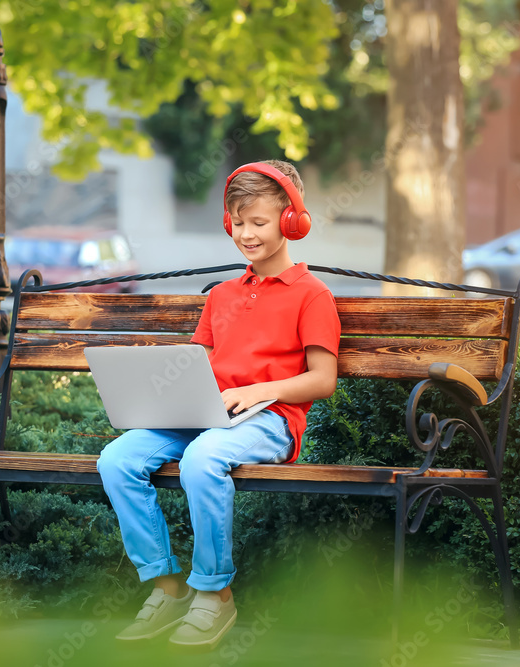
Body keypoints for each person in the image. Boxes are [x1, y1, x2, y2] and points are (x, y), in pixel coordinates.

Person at [96, 160, 341, 648]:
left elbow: (323, 380)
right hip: (207, 416)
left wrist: (258, 391)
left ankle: (214, 592)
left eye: (260, 222)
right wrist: (159, 391)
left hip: (270, 420)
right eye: (239, 222)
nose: (246, 234)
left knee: (203, 458)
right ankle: (166, 589)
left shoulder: (313, 295)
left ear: (292, 221)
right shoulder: (222, 296)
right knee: (117, 458)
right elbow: (200, 366)